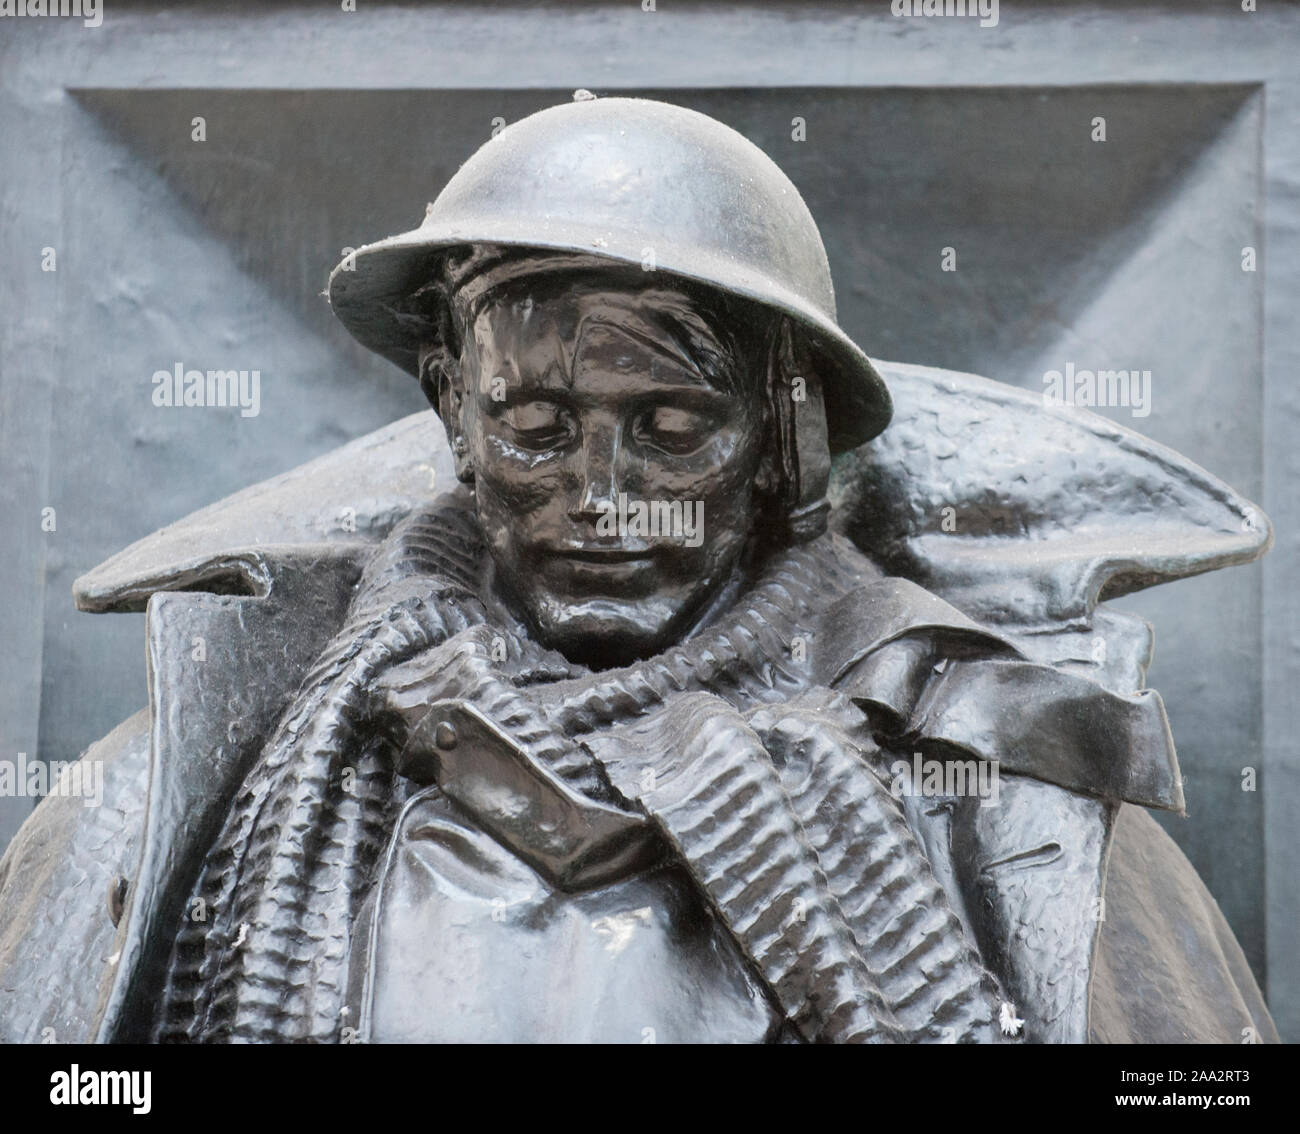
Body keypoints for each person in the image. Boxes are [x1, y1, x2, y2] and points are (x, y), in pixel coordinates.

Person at [0, 95, 1277, 1043]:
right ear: (454, 409)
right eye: (536, 430)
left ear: (787, 436)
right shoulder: (186, 789)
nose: (601, 499)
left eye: (672, 430)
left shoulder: (996, 798)